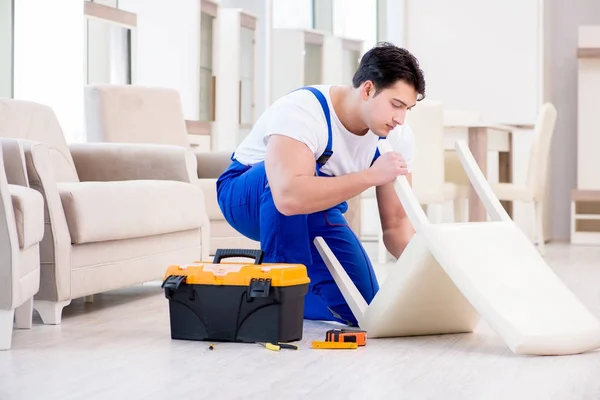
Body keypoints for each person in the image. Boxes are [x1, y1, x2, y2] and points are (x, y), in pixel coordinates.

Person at [216, 42, 426, 326]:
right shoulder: (304, 111)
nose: (400, 119)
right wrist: (371, 176)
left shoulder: (396, 138)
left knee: (365, 308)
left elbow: (397, 227)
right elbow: (288, 196)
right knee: (293, 177)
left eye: (407, 109)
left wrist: (432, 271)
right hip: (246, 195)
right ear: (367, 90)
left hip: (314, 203)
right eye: (396, 105)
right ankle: (277, 290)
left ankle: (272, 295)